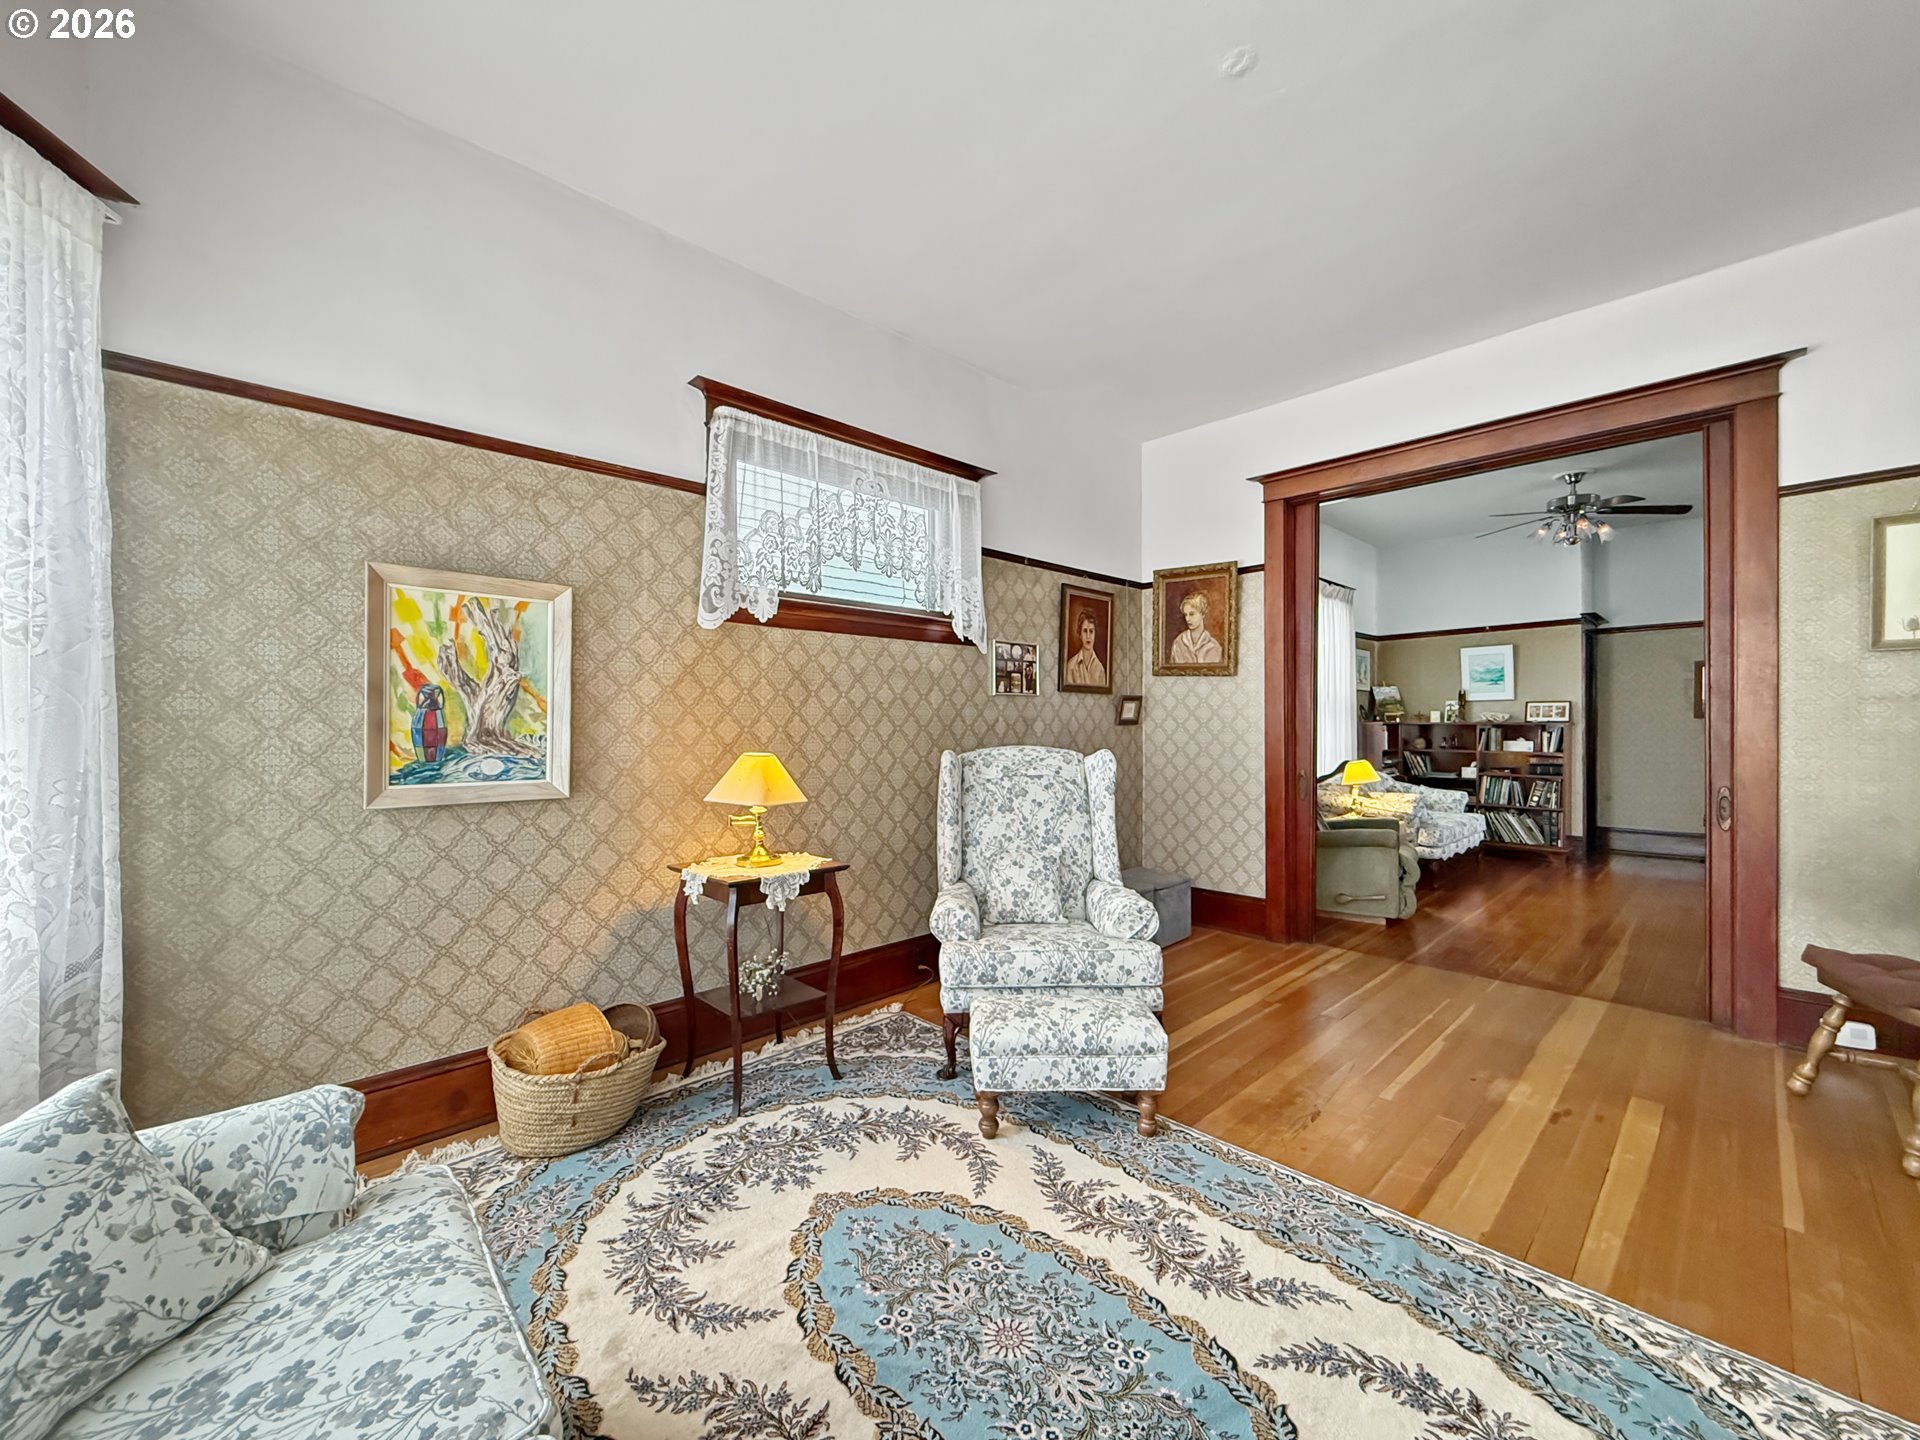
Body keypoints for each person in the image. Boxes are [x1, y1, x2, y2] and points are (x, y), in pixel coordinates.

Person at [1169, 588, 1224, 665]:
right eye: (1185, 615)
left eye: (1192, 614)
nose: (1187, 619)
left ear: (1203, 614)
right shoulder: (1178, 642)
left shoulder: (1214, 647)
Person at [1065, 611, 1107, 687]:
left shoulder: (1100, 669)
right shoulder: (1071, 666)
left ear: (1095, 634)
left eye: (1091, 631)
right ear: (1080, 634)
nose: (1088, 636)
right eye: (1085, 631)